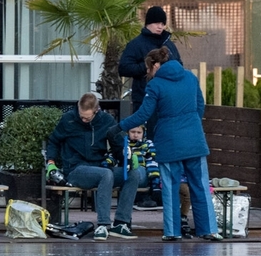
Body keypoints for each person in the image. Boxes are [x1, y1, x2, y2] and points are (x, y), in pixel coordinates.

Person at [119, 47, 222, 242]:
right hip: (194, 140)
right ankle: (209, 229)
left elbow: (143, 114)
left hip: (169, 141)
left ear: (156, 65)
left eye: (149, 68)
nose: (148, 73)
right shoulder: (190, 78)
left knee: (170, 186)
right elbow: (200, 106)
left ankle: (173, 231)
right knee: (199, 185)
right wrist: (190, 124)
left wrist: (120, 126)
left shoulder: (155, 85)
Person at [46, 92, 143, 241]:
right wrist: (51, 163)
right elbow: (53, 141)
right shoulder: (69, 119)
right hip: (76, 169)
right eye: (81, 115)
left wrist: (128, 156)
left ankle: (121, 223)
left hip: (99, 166)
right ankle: (103, 224)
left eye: (87, 117)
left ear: (96, 110)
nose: (83, 119)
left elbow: (118, 144)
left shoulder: (106, 121)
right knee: (106, 174)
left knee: (133, 174)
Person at [119, 6, 182, 113]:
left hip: (168, 98)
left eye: (162, 24)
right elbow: (124, 68)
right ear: (148, 23)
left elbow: (179, 65)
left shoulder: (169, 44)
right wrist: (147, 67)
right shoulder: (136, 44)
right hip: (144, 98)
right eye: (156, 23)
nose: (160, 26)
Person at [102, 125, 161, 210]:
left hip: (143, 174)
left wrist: (155, 182)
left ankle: (144, 197)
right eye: (133, 132)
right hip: (125, 173)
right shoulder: (121, 143)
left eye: (139, 132)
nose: (136, 135)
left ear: (143, 133)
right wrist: (106, 163)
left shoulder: (147, 144)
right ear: (127, 132)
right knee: (112, 172)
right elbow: (113, 156)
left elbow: (152, 162)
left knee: (137, 170)